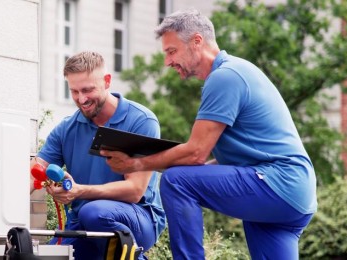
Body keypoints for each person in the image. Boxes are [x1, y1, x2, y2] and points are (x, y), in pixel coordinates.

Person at [101, 9, 317, 260]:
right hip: (294, 193)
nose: (167, 62)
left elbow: (195, 154)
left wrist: (136, 163)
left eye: (171, 51)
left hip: (277, 182)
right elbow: (205, 161)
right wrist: (173, 163)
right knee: (183, 177)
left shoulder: (224, 77)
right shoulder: (236, 71)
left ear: (196, 42)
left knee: (175, 180)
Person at [31, 51, 166, 259]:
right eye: (74, 91)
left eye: (87, 90)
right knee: (49, 256)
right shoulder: (67, 129)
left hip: (138, 218)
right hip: (82, 221)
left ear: (107, 81)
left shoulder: (140, 121)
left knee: (93, 212)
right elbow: (34, 173)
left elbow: (135, 190)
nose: (81, 99)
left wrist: (79, 191)